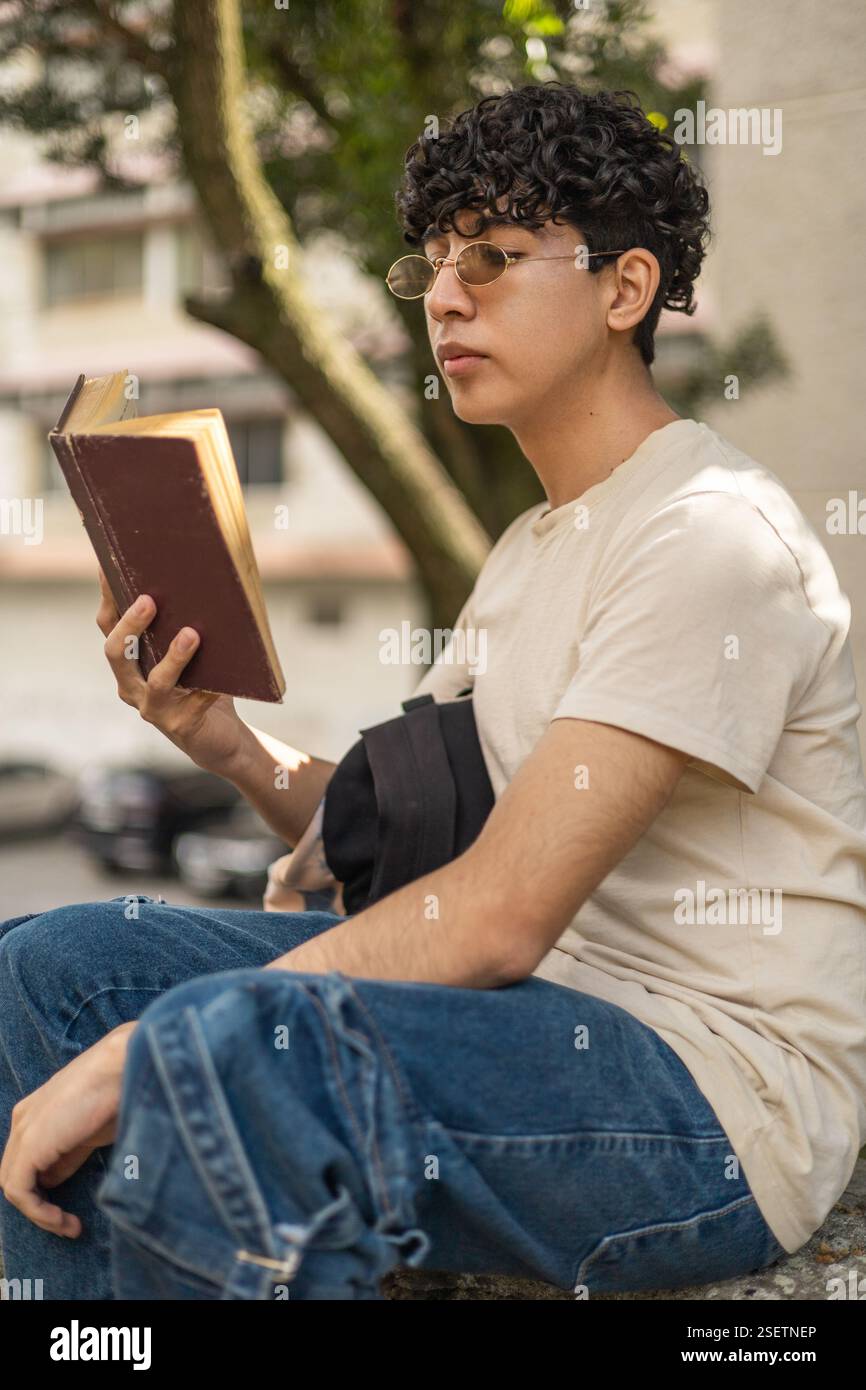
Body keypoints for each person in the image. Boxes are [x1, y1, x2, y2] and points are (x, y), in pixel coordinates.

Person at [2, 81, 864, 1301]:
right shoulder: (527, 552)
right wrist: (232, 746)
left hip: (702, 1103)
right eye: (434, 267)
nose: (446, 297)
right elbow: (397, 842)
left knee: (222, 1041)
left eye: (495, 259)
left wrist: (138, 1055)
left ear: (624, 290)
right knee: (55, 965)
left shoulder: (706, 536)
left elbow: (498, 911)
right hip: (522, 1028)